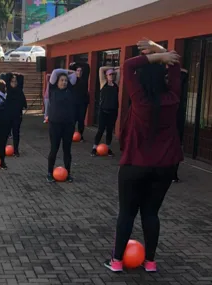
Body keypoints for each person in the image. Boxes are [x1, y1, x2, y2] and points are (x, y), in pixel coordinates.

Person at [104, 39, 182, 273]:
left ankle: (117, 261)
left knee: (126, 213)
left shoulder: (140, 99)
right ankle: (150, 262)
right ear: (162, 79)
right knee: (151, 213)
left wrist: (156, 55)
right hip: (165, 166)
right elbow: (176, 64)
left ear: (142, 79)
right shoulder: (173, 98)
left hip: (135, 165)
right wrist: (160, 52)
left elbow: (127, 65)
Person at [46, 68, 77, 183]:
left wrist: (69, 73)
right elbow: (54, 72)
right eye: (62, 80)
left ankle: (68, 173)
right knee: (54, 149)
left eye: (65, 80)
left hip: (68, 125)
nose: (64, 82)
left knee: (67, 150)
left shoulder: (70, 90)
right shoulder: (52, 89)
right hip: (55, 125)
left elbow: (74, 75)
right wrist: (65, 70)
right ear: (57, 81)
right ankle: (49, 173)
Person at [92, 66, 121, 157]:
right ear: (106, 76)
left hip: (113, 111)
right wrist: (112, 67)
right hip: (103, 111)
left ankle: (108, 148)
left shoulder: (116, 84)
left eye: (113, 74)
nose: (111, 76)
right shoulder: (103, 83)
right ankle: (94, 148)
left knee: (109, 130)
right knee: (100, 130)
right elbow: (100, 69)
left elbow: (120, 70)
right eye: (109, 74)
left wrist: (116, 69)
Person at [4, 72, 27, 157]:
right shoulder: (8, 89)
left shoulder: (19, 89)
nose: (14, 83)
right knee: (6, 132)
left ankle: (16, 150)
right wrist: (12, 74)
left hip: (17, 115)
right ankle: (3, 149)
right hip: (8, 115)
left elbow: (21, 77)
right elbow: (6, 76)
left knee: (16, 133)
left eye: (15, 81)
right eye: (12, 81)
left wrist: (16, 75)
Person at [173, 68, 189, 183]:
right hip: (171, 120)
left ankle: (173, 174)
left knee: (175, 148)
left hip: (175, 121)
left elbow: (185, 72)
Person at [70, 62, 91, 141]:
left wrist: (77, 62)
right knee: (73, 120)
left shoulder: (84, 79)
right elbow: (70, 69)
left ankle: (80, 135)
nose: (79, 72)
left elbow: (87, 66)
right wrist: (74, 66)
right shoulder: (73, 80)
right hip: (74, 103)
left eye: (80, 71)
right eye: (78, 71)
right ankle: (70, 134)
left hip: (83, 103)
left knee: (81, 120)